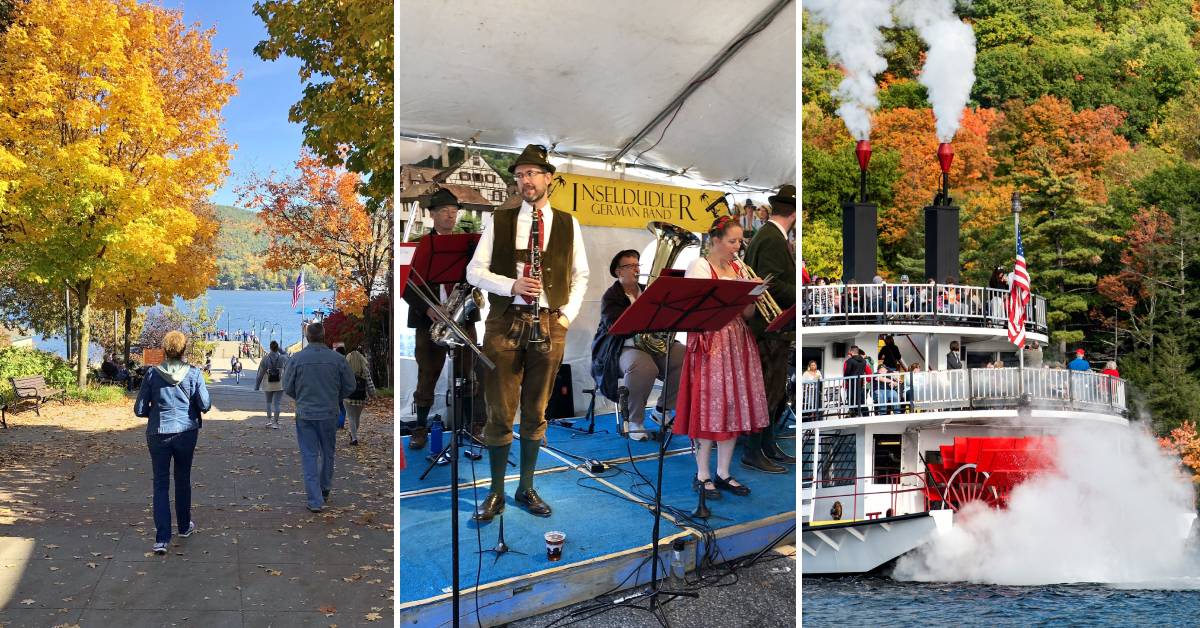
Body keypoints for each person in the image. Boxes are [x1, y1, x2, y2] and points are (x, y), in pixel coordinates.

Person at [466, 144, 589, 521]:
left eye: (532, 174)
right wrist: (511, 286)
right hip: (505, 322)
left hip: (550, 324)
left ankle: (526, 487)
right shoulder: (499, 221)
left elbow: (580, 276)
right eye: (519, 175)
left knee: (536, 411)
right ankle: (496, 491)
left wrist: (565, 316)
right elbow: (474, 271)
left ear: (548, 178)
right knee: (499, 411)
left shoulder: (568, 223)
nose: (525, 181)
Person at [673, 215, 770, 499]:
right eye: (732, 241)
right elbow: (698, 311)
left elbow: (747, 315)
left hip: (737, 341)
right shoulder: (700, 266)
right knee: (709, 407)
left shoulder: (738, 269)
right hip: (710, 343)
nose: (737, 247)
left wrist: (750, 296)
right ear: (716, 240)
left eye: (739, 241)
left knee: (733, 407)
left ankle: (724, 472)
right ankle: (702, 473)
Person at [402, 186, 485, 450]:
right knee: (427, 374)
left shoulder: (470, 246)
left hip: (463, 317)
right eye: (445, 212)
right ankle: (420, 428)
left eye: (454, 212)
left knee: (468, 372)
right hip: (429, 319)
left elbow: (477, 279)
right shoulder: (419, 246)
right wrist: (428, 308)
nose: (451, 217)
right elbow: (406, 286)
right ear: (433, 215)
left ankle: (473, 426)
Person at [593, 249, 683, 442]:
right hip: (621, 347)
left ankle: (662, 409)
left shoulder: (649, 290)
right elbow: (614, 327)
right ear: (619, 272)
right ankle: (635, 420)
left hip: (651, 345)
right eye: (629, 266)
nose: (635, 269)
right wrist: (639, 313)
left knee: (684, 356)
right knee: (644, 367)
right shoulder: (611, 296)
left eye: (637, 265)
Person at [134, 330, 210, 555]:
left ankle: (161, 538)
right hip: (186, 431)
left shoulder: (152, 375)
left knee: (160, 483)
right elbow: (204, 404)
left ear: (164, 350)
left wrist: (157, 413)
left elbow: (139, 409)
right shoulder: (194, 374)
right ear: (184, 349)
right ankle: (184, 526)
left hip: (158, 432)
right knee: (183, 478)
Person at [742, 183, 797, 473]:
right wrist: (801, 292)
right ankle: (754, 450)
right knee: (765, 391)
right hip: (769, 328)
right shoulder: (773, 239)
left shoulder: (768, 234)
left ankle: (766, 445)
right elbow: (770, 282)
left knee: (772, 391)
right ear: (795, 213)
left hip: (769, 327)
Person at [282, 322, 356, 512]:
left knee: (309, 455)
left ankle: (315, 500)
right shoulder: (337, 359)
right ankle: (325, 488)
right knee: (328, 453)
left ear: (307, 337)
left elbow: (288, 386)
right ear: (324, 336)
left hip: (306, 412)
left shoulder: (297, 359)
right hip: (329, 412)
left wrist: (301, 398)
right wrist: (335, 397)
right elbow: (350, 385)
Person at [344, 345, 377, 446]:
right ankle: (353, 434)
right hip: (361, 396)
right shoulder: (364, 369)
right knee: (357, 417)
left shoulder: (346, 370)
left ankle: (354, 438)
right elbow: (370, 383)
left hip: (348, 397)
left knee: (350, 417)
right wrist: (373, 394)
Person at [255, 340, 289, 429]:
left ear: (270, 348)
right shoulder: (283, 358)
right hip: (279, 384)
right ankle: (275, 422)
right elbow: (287, 355)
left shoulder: (265, 359)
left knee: (268, 402)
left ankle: (269, 420)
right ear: (277, 348)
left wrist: (257, 385)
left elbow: (260, 374)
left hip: (268, 384)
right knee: (277, 403)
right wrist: (280, 350)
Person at [844, 346, 869, 416]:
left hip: (851, 383)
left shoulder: (850, 361)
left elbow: (847, 372)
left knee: (852, 400)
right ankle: (864, 415)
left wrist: (846, 379)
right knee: (860, 400)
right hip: (860, 383)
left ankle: (853, 414)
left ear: (852, 352)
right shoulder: (864, 361)